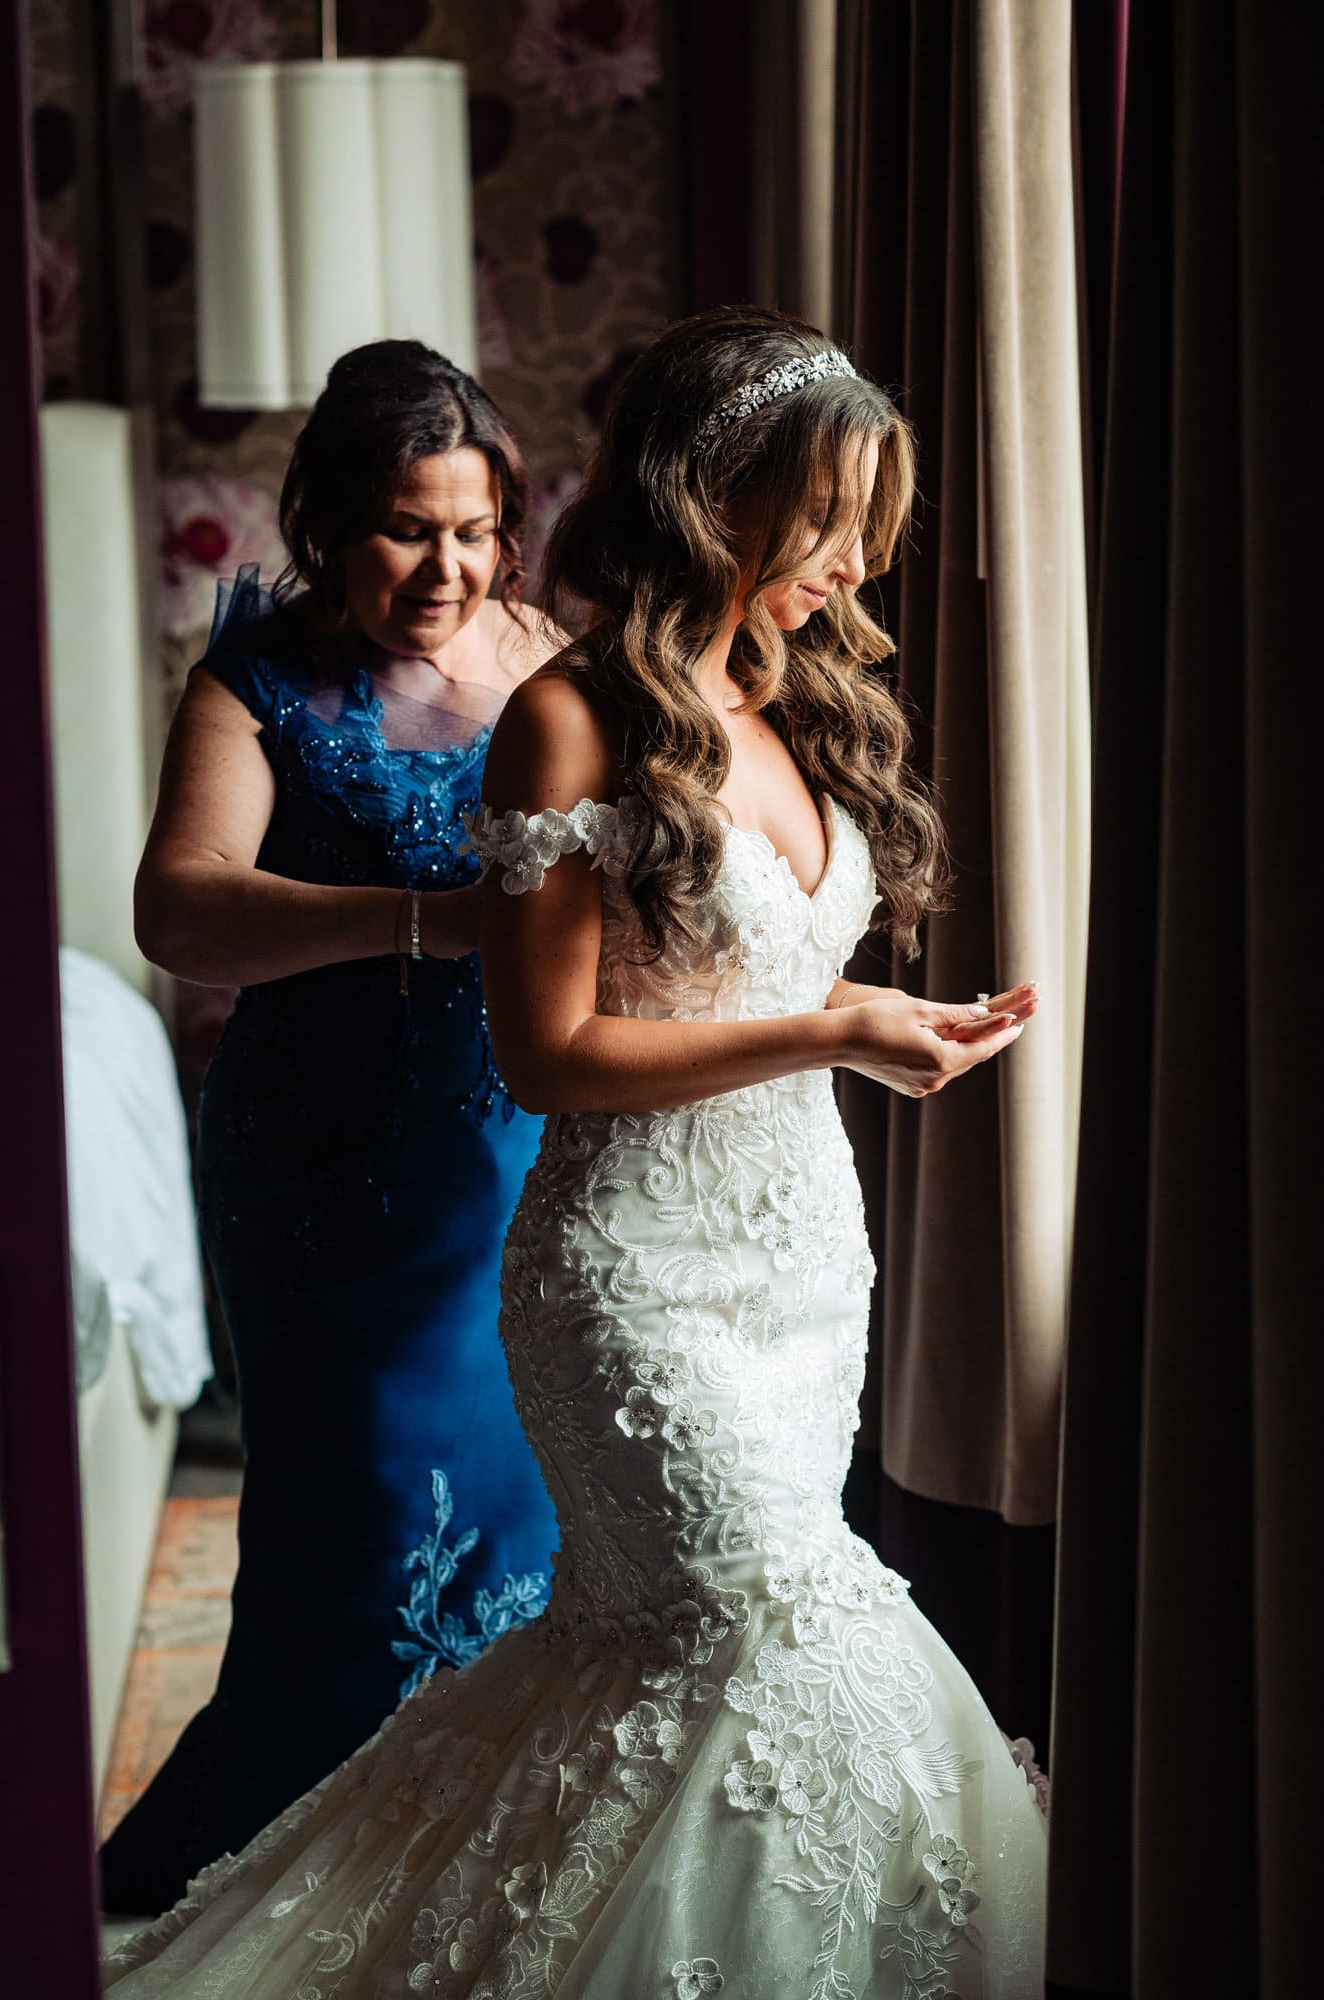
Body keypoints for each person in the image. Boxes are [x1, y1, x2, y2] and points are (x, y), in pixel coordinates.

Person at [102, 306, 1046, 1995]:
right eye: (825, 520)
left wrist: (887, 1028)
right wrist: (839, 1031)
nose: (851, 561)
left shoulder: (786, 698)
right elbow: (524, 1037)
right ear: (717, 498)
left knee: (632, 1651)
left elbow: (743, 958)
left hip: (790, 1257)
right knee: (741, 1618)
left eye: (479, 528)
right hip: (553, 1235)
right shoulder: (516, 711)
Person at [99, 342, 563, 1916]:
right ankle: (299, 1870)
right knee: (358, 1517)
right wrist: (431, 921)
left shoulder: (548, 658)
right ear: (324, 520)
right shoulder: (257, 680)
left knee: (527, 1495)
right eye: (402, 529)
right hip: (321, 1167)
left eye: (473, 530)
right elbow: (183, 910)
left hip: (511, 1144)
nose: (445, 568)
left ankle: (488, 1855)